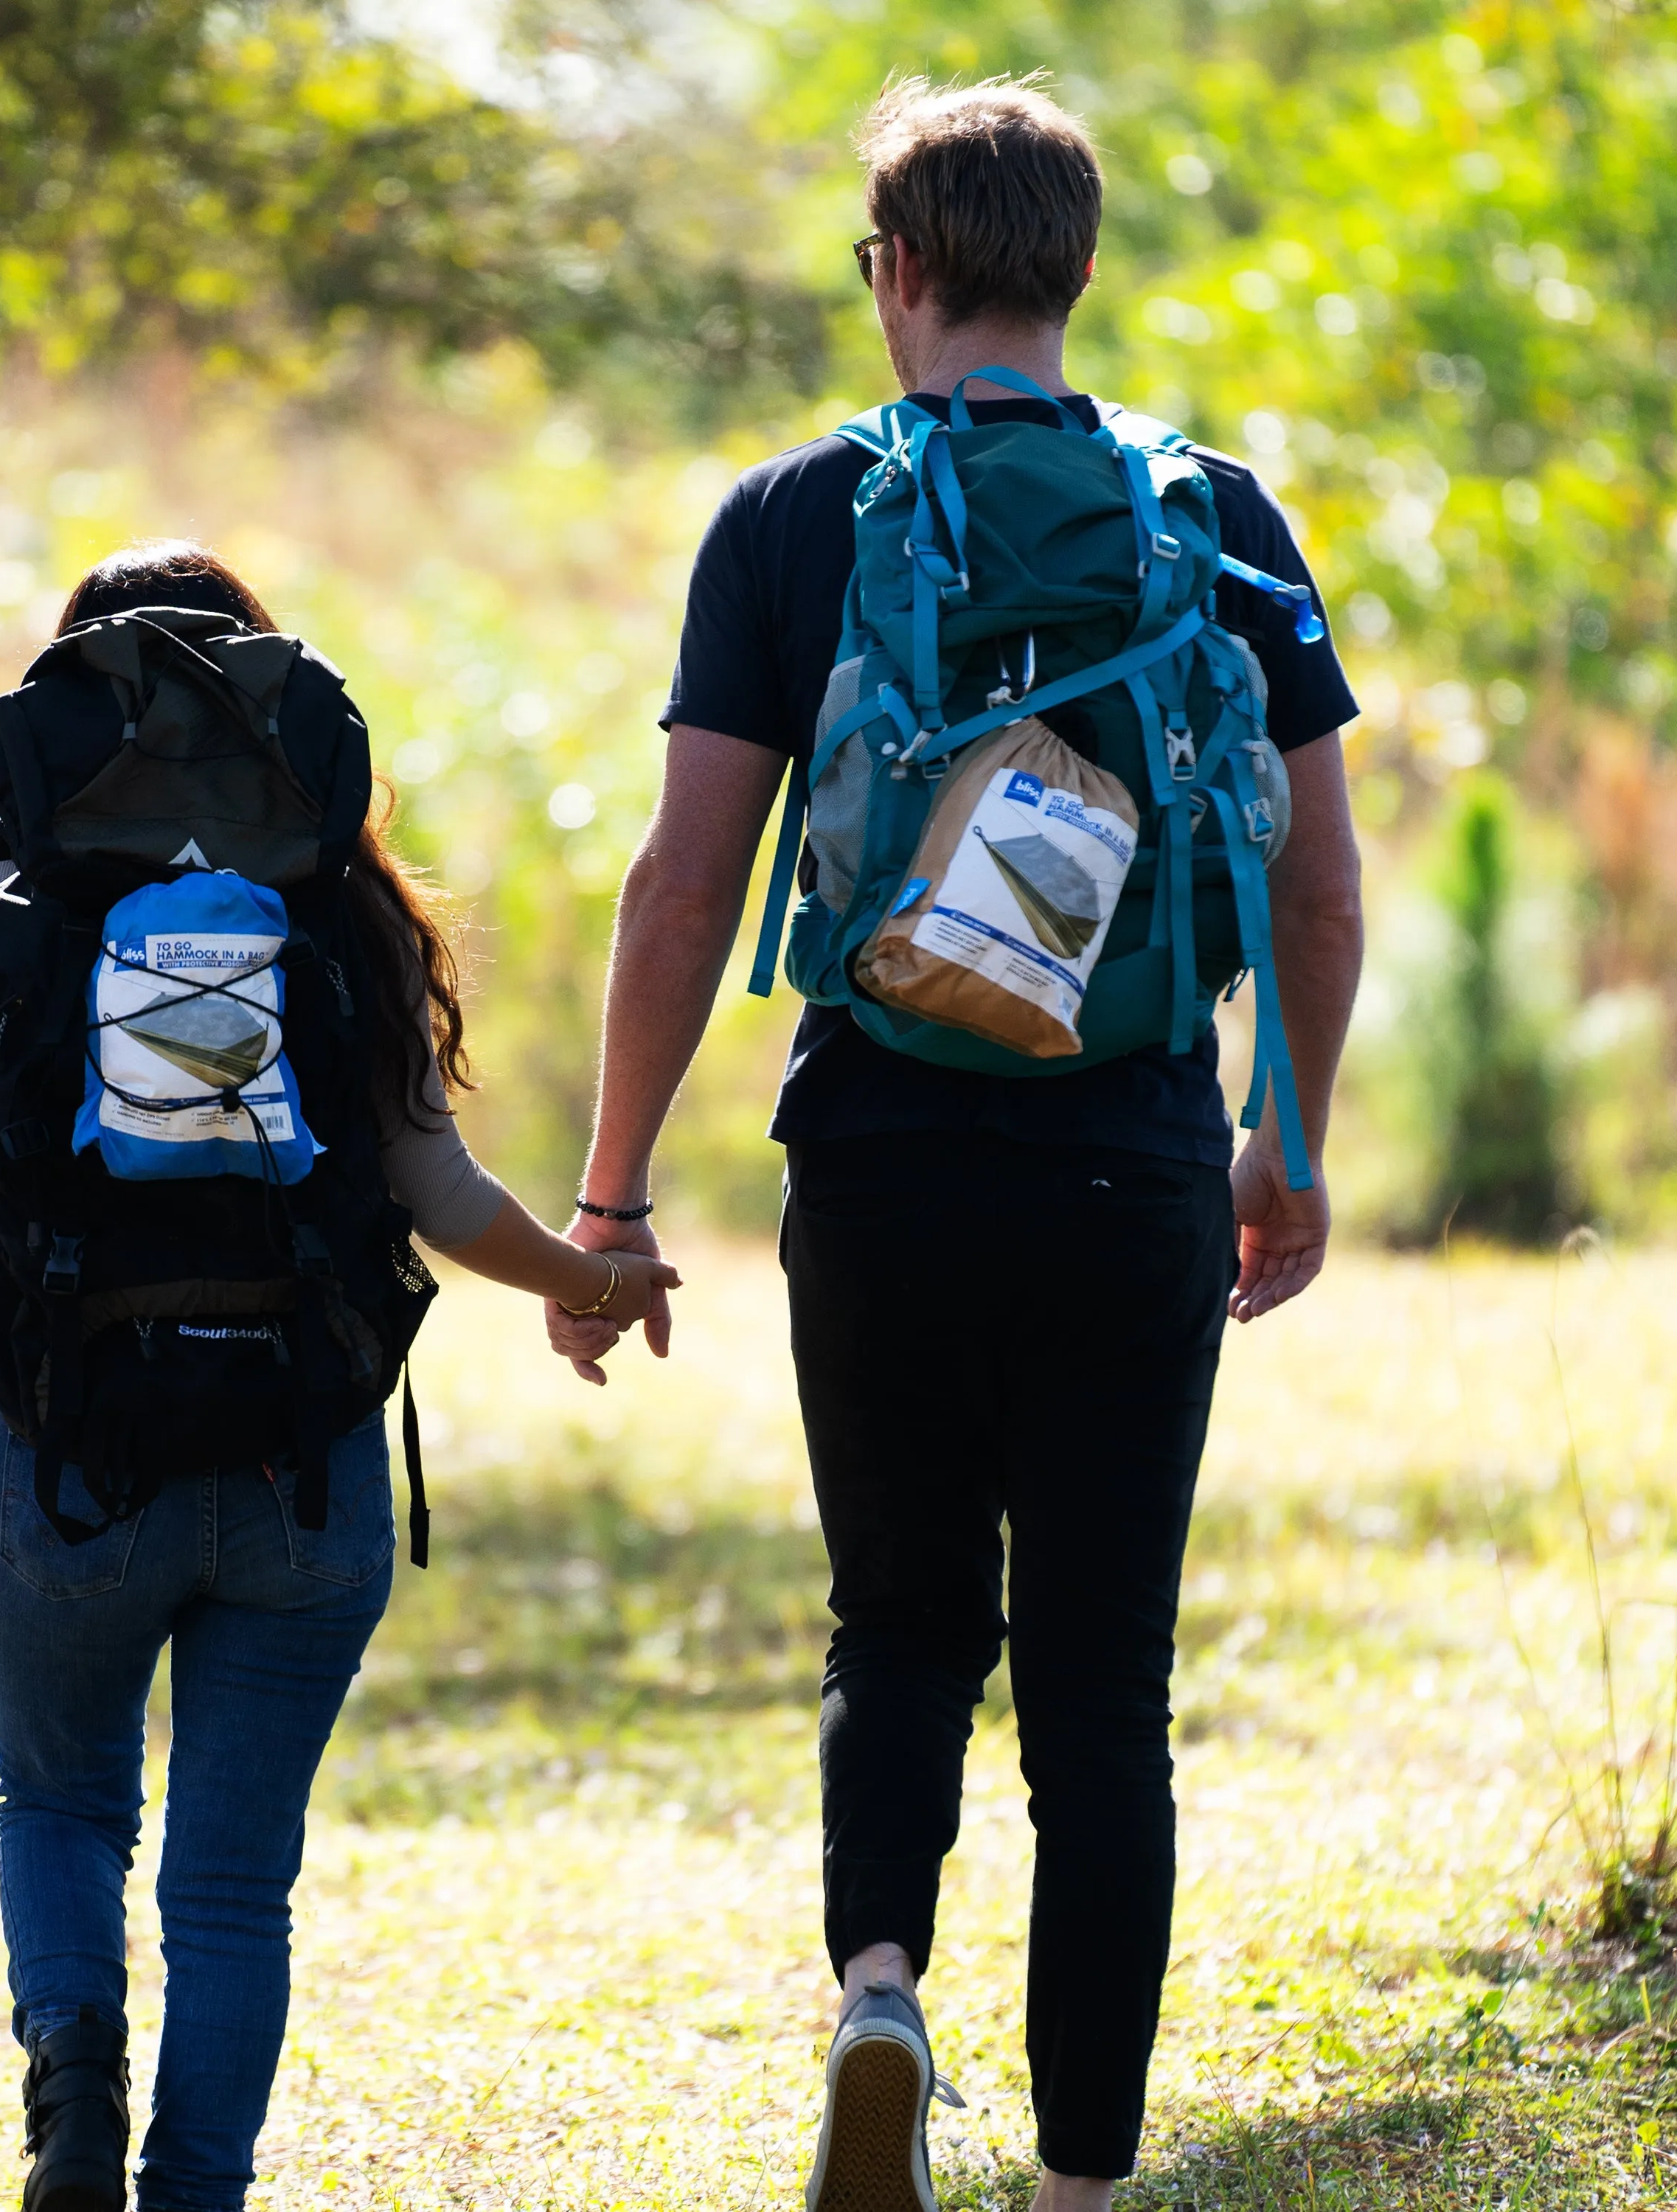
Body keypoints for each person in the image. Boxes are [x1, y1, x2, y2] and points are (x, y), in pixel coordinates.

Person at [546, 77, 1364, 2212]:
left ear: (892, 275)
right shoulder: (1226, 521)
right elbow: (1322, 888)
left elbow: (682, 884)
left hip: (884, 1158)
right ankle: (1086, 2187)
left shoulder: (794, 519)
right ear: (1074, 275)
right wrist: (1287, 1134)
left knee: (900, 1622)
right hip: (1135, 1166)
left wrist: (612, 1194)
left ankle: (882, 1995)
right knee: (1106, 1692)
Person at [0, 541, 677, 2212]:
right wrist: (592, 1279)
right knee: (231, 1890)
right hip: (307, 1468)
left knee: (59, 1804)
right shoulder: (346, 919)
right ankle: (194, 2187)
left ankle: (72, 2092)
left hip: (70, 1465)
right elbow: (442, 1198)